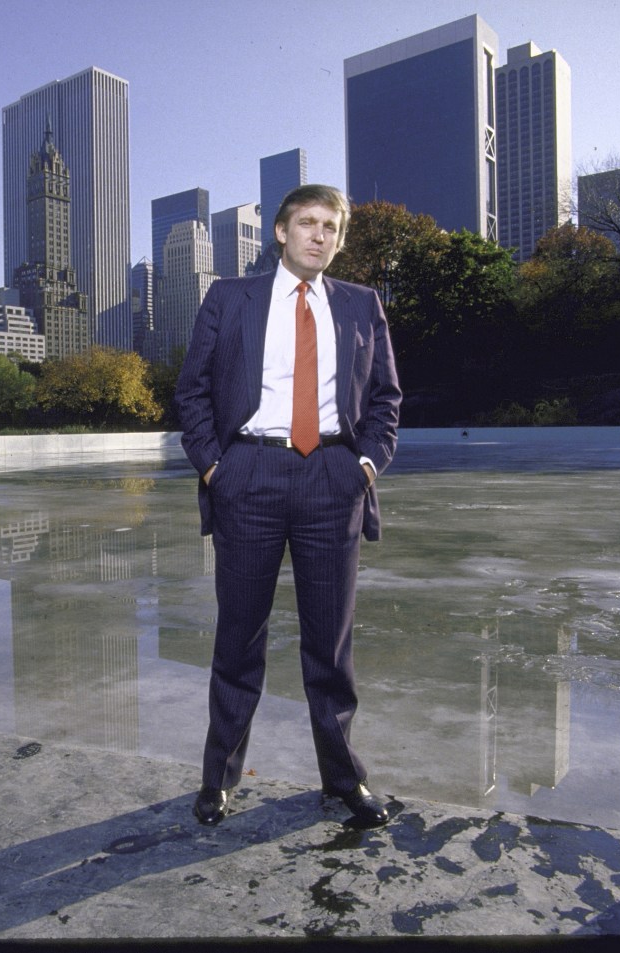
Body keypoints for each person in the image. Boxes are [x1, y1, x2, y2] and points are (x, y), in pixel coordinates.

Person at [173, 184, 401, 828]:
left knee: (330, 643)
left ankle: (344, 779)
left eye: (331, 227)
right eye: (308, 223)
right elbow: (192, 392)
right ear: (280, 231)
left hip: (332, 476)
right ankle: (219, 778)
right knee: (239, 636)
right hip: (249, 473)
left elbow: (386, 399)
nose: (319, 236)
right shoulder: (230, 297)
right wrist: (215, 467)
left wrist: (363, 465)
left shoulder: (361, 304)